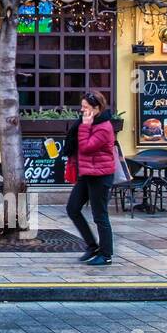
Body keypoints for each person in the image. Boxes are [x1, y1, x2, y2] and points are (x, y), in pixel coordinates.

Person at [63, 90, 117, 266]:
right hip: (87, 173)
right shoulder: (90, 122)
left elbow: (86, 147)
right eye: (82, 106)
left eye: (85, 107)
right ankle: (92, 246)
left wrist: (85, 126)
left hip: (100, 175)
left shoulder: (104, 127)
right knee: (72, 208)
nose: (82, 110)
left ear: (96, 108)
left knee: (100, 216)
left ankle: (106, 254)